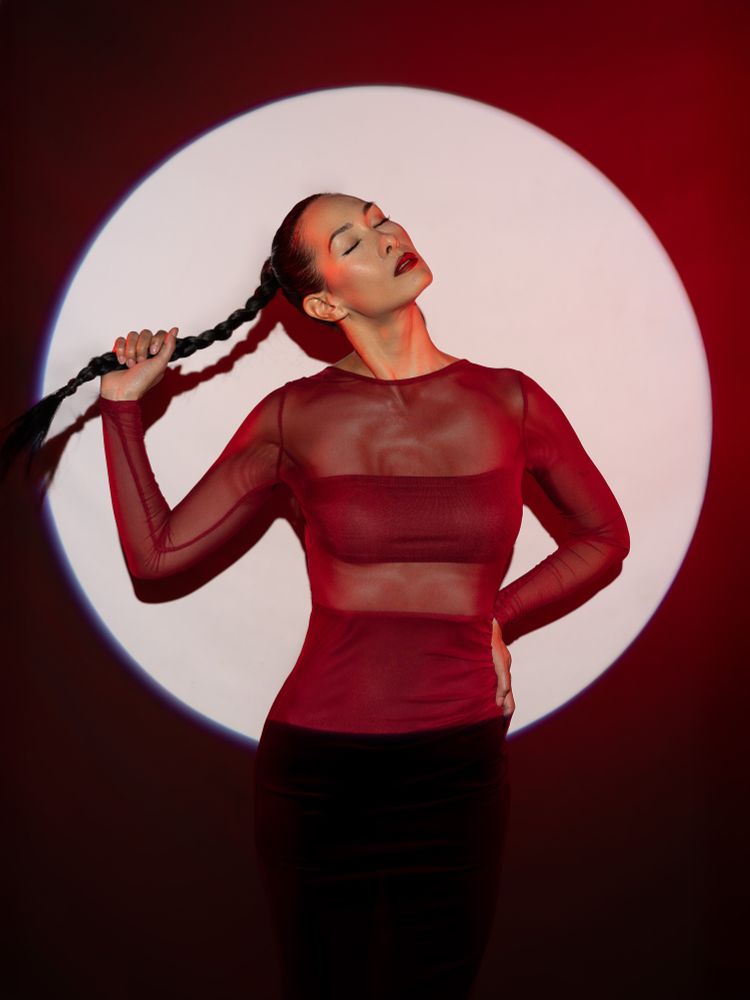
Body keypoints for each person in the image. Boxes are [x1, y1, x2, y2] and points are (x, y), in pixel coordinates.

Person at [2, 192, 630, 999]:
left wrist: (495, 618)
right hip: (319, 779)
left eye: (378, 217)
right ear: (326, 301)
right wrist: (123, 410)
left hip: (458, 774)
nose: (387, 235)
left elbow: (603, 537)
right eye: (352, 239)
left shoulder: (511, 399)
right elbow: (157, 559)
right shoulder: (295, 415)